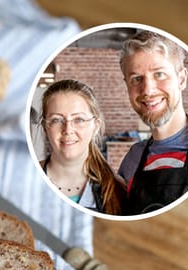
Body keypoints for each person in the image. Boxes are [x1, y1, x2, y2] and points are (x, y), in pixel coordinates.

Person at [117, 30, 188, 215]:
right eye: (136, 79)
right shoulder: (133, 158)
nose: (147, 90)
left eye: (159, 74)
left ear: (182, 79)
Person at [39, 79, 126, 215]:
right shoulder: (25, 179)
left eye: (79, 119)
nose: (68, 130)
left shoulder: (118, 191)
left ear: (96, 126)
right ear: (45, 127)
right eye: (56, 120)